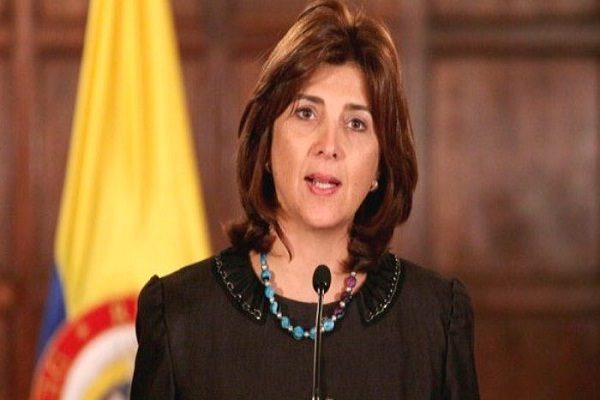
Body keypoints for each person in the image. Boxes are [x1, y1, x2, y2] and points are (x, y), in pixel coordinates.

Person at [131, 0, 479, 398]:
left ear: (381, 166)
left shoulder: (436, 319)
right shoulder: (179, 314)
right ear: (266, 142)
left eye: (356, 123)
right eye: (306, 113)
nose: (329, 146)